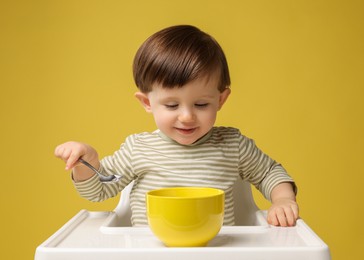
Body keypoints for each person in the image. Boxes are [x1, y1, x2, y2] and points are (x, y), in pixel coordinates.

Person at [55, 25, 299, 227]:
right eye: (172, 105)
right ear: (147, 102)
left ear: (221, 100)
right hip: (149, 252)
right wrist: (87, 162)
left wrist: (283, 200)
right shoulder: (138, 148)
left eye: (201, 104)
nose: (186, 116)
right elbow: (97, 191)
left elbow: (270, 172)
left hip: (215, 252)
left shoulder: (233, 145)